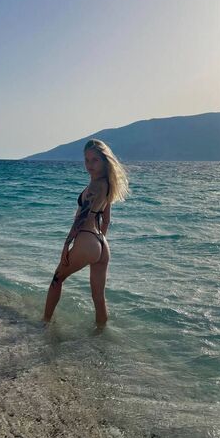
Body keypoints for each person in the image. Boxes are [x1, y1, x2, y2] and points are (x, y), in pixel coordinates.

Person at [43, 138, 130, 328]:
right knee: (99, 297)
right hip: (102, 244)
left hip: (87, 239)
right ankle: (101, 336)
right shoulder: (108, 184)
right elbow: (106, 220)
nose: (90, 165)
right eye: (87, 160)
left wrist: (67, 245)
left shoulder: (95, 186)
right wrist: (98, 243)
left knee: (57, 280)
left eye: (95, 160)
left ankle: (44, 324)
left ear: (104, 161)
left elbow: (81, 218)